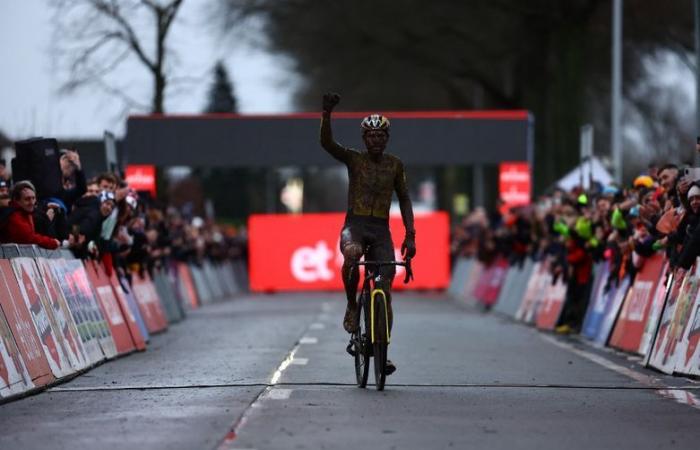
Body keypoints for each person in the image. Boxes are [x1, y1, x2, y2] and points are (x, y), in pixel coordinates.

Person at [320, 92, 416, 375]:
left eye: (381, 136)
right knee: (351, 254)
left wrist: (410, 235)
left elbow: (406, 199)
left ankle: (381, 351)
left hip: (381, 230)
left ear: (387, 138)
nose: (376, 140)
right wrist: (326, 114)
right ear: (364, 138)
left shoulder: (395, 164)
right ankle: (352, 305)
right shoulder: (355, 159)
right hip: (356, 226)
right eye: (371, 136)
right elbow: (327, 143)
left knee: (384, 287)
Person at [0, 180, 59, 249]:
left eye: (33, 198)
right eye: (27, 199)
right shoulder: (14, 215)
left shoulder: (27, 213)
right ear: (16, 200)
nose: (32, 202)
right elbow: (27, 237)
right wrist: (52, 242)